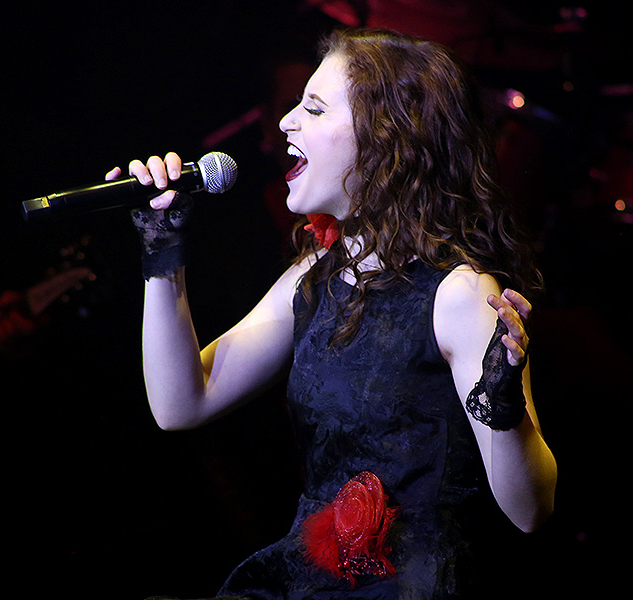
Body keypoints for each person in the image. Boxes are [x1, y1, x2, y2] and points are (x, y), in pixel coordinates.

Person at [107, 27, 557, 599]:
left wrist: (503, 406)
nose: (285, 122)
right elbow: (180, 403)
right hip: (309, 581)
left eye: (314, 109)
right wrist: (162, 253)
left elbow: (530, 511)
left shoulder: (459, 294)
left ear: (389, 139)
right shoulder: (316, 277)